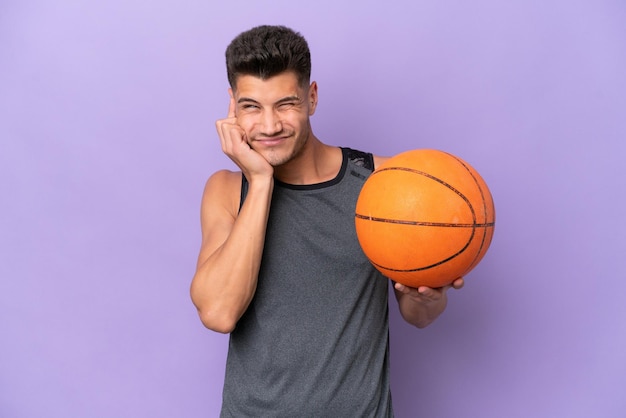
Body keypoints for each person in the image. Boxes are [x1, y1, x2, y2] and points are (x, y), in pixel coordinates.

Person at [190, 25, 464, 417]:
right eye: (252, 106)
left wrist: (429, 297)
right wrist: (262, 180)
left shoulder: (382, 183)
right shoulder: (226, 190)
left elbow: (417, 315)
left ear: (312, 98)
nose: (269, 126)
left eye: (286, 104)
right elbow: (219, 313)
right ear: (232, 106)